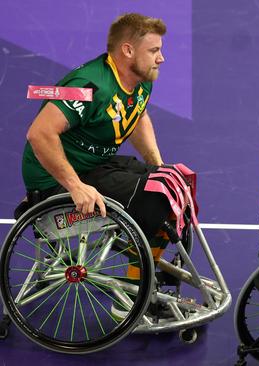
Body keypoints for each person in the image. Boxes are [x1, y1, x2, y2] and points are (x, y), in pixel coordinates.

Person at [21, 13, 179, 318]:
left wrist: (157, 164)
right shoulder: (88, 86)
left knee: (171, 182)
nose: (161, 58)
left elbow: (136, 115)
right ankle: (133, 301)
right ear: (128, 51)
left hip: (95, 164)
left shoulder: (139, 78)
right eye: (153, 51)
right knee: (156, 200)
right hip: (56, 177)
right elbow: (39, 134)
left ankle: (140, 276)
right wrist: (75, 186)